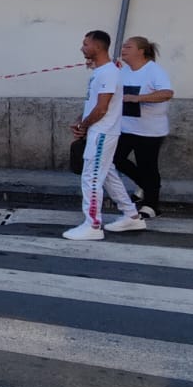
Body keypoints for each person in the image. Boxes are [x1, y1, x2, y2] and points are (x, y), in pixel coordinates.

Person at [64, 31, 142, 241]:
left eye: (85, 44)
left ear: (97, 47)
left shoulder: (108, 73)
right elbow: (93, 105)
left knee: (91, 177)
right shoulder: (101, 72)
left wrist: (84, 125)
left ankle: (93, 225)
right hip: (99, 130)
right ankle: (131, 215)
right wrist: (81, 121)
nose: (82, 48)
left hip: (102, 132)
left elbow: (101, 109)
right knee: (107, 175)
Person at [111, 36, 174, 225]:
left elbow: (167, 93)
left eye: (128, 47)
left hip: (149, 131)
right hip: (125, 128)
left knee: (148, 166)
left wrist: (138, 98)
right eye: (123, 46)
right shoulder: (123, 71)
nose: (123, 49)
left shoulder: (153, 70)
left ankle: (152, 206)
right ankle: (145, 186)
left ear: (141, 51)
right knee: (115, 158)